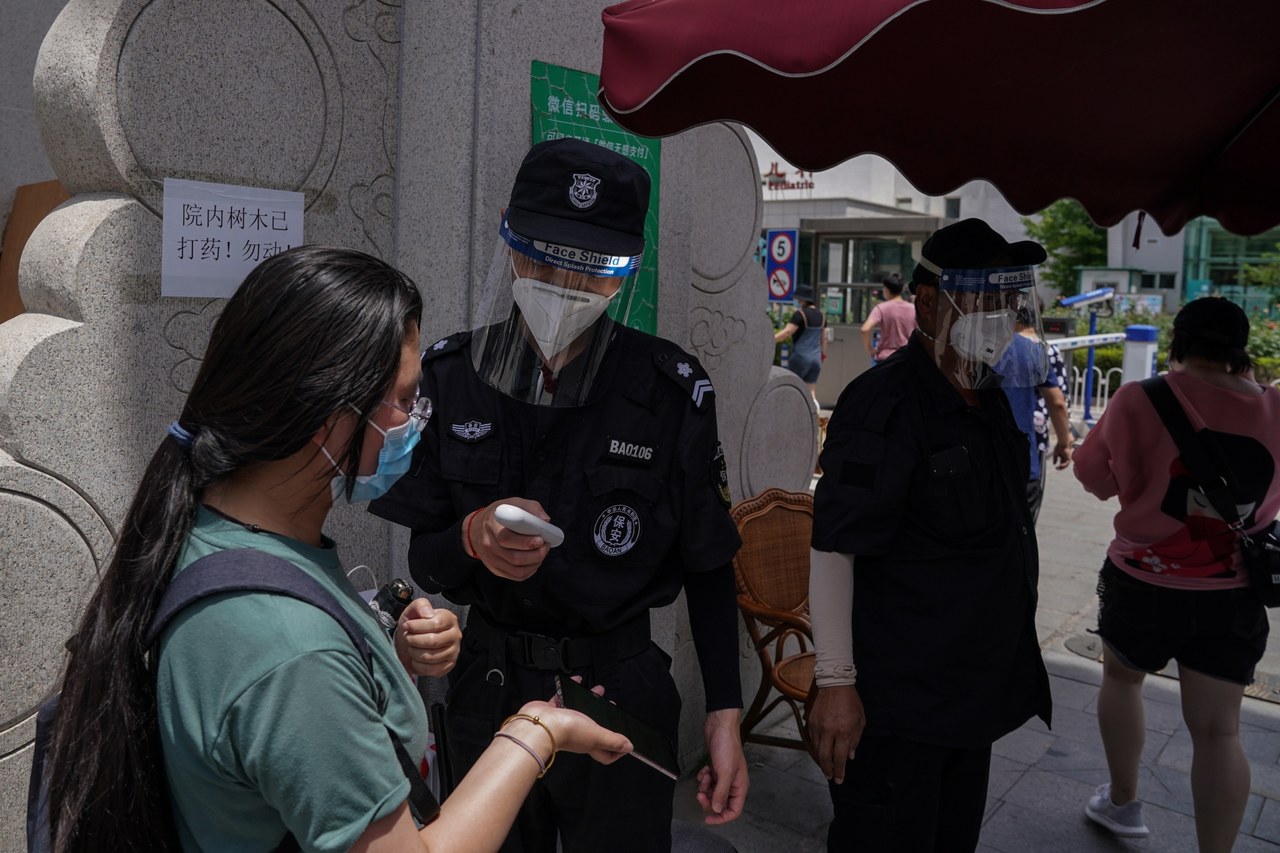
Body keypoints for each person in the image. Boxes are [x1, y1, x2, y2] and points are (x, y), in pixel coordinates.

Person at [43, 246, 634, 852]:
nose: (416, 422)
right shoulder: (287, 649)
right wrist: (537, 731)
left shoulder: (210, 532)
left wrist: (386, 662)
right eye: (404, 402)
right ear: (329, 415)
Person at [369, 138, 749, 852]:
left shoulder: (669, 393)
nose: (560, 281)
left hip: (619, 687)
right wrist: (472, 538)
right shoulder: (454, 375)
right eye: (541, 253)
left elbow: (708, 561)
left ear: (625, 271)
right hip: (490, 683)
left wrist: (724, 713)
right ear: (509, 241)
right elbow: (428, 557)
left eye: (589, 267)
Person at [806, 218, 1053, 852]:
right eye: (979, 297)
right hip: (898, 706)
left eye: (1006, 299)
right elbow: (836, 544)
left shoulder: (987, 393)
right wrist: (835, 682)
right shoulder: (882, 404)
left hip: (968, 697)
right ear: (926, 300)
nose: (995, 314)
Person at [1074, 297, 1280, 851]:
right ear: (1239, 349)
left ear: (1178, 343)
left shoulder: (1139, 397)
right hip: (1233, 592)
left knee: (1122, 679)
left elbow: (1094, 478)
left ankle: (1122, 804)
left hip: (1142, 579)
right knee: (1219, 732)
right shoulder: (1276, 406)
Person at [998, 308, 1074, 523]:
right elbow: (1058, 401)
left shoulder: (967, 346)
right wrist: (1064, 440)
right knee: (1021, 532)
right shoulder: (1036, 350)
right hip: (1024, 448)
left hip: (978, 457)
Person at [774, 285, 827, 404]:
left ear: (803, 299)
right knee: (811, 391)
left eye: (799, 299)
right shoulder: (822, 316)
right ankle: (814, 414)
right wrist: (823, 355)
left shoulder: (800, 315)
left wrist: (771, 340)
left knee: (793, 387)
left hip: (800, 358)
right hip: (816, 359)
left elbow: (787, 332)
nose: (798, 301)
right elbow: (824, 339)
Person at [859, 272, 916, 364]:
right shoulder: (913, 309)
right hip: (907, 358)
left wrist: (870, 350)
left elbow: (864, 329)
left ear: (886, 289)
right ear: (902, 289)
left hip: (886, 359)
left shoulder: (881, 308)